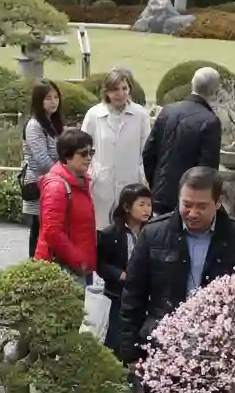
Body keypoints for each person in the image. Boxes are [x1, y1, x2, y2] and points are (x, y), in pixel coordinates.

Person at [120, 166, 235, 393]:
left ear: (218, 202)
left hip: (215, 350)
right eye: (186, 204)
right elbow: (133, 295)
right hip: (164, 344)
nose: (192, 212)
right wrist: (132, 352)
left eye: (201, 206)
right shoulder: (154, 233)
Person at [142, 67, 222, 215]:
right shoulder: (210, 121)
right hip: (190, 203)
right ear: (215, 91)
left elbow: (148, 154)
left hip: (160, 197)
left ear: (192, 84)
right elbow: (207, 170)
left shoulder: (167, 111)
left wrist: (157, 184)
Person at [81, 69, 150, 229]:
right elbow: (83, 148)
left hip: (131, 183)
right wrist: (89, 174)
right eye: (115, 89)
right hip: (101, 185)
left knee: (129, 231)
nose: (120, 94)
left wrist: (143, 178)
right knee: (101, 231)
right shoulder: (94, 115)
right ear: (107, 91)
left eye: (124, 88)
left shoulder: (140, 115)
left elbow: (146, 151)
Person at [35, 129, 98, 283]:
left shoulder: (80, 182)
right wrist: (78, 260)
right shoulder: (57, 186)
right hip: (62, 268)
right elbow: (52, 231)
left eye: (92, 152)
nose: (89, 158)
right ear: (67, 156)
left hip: (77, 266)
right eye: (83, 154)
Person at [97, 183, 152, 353]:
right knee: (115, 337)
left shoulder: (152, 232)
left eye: (149, 205)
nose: (147, 210)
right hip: (117, 294)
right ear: (127, 207)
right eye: (141, 205)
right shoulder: (110, 234)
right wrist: (119, 275)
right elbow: (100, 264)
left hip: (145, 295)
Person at [20, 80, 63, 258]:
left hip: (55, 183)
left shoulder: (55, 122)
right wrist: (66, 175)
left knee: (51, 230)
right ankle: (35, 268)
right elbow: (43, 160)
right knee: (39, 231)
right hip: (39, 184)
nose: (53, 101)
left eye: (56, 97)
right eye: (48, 98)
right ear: (39, 101)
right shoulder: (34, 125)